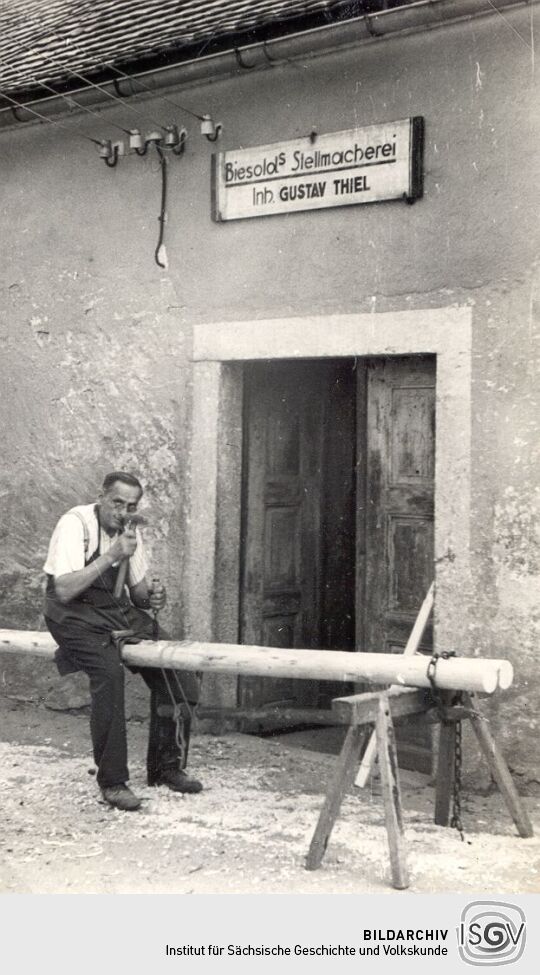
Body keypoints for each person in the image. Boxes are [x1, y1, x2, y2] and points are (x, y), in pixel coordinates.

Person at [43, 471, 202, 811]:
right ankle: (113, 781)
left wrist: (153, 597)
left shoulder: (130, 531)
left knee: (178, 665)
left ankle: (166, 767)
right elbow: (65, 589)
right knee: (109, 675)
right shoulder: (75, 524)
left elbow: (139, 595)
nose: (123, 512)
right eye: (117, 503)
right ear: (102, 498)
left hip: (115, 611)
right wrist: (113, 554)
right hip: (72, 614)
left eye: (131, 505)